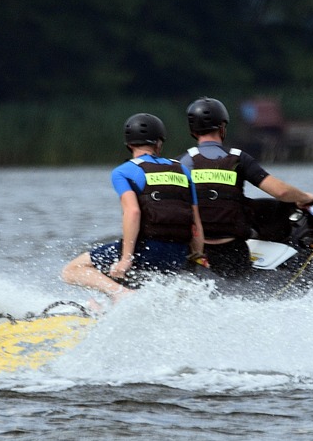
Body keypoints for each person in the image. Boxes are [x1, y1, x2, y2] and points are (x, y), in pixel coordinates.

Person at [61, 113, 206, 301]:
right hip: (177, 254)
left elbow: (133, 211)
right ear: (159, 143)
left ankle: (121, 295)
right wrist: (197, 255)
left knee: (72, 270)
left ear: (129, 144)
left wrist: (126, 258)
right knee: (116, 271)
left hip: (146, 251)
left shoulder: (123, 172)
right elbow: (196, 221)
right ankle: (111, 305)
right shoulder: (182, 170)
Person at [180, 96, 313, 279]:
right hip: (232, 249)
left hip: (195, 251)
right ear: (223, 127)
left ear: (193, 130)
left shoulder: (183, 162)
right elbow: (281, 192)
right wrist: (304, 197)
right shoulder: (238, 158)